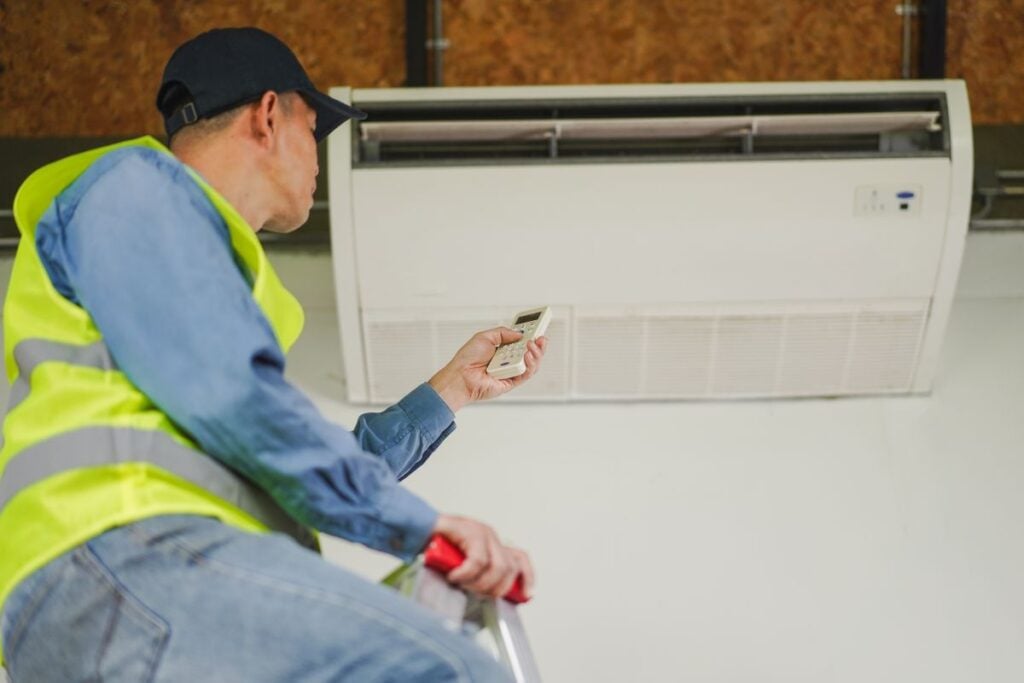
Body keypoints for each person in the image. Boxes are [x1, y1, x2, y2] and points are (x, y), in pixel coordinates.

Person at [0, 27, 546, 682]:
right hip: (122, 549)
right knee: (448, 667)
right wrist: (418, 524)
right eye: (313, 131)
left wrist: (451, 388)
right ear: (267, 116)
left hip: (102, 583)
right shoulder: (135, 189)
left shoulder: (202, 282)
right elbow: (239, 401)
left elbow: (280, 459)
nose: (318, 161)